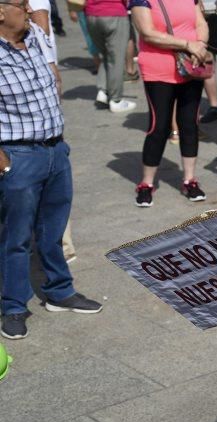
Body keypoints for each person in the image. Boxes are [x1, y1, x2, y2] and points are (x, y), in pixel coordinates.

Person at [0, 0, 103, 340]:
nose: (29, 8)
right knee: (15, 238)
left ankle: (60, 291)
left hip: (55, 149)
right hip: (19, 155)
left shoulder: (36, 38)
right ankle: (13, 306)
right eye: (21, 4)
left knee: (53, 228)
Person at [129, 0, 210, 207]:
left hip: (191, 66)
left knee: (189, 124)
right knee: (159, 126)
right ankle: (146, 183)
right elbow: (147, 33)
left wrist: (200, 44)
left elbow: (201, 22)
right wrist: (186, 44)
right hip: (158, 70)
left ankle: (190, 180)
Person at [86, 0, 137, 112]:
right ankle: (116, 100)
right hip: (114, 13)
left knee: (106, 55)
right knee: (116, 59)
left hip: (91, 14)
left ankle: (103, 91)